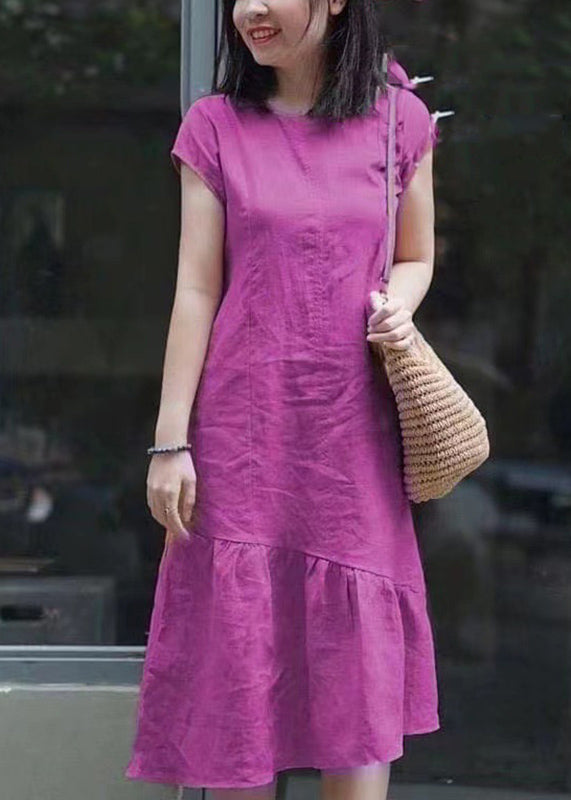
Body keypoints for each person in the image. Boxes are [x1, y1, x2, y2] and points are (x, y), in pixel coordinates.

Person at [125, 1, 441, 798]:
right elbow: (196, 289)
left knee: (356, 695)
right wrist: (170, 443)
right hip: (241, 435)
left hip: (352, 438)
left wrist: (398, 304)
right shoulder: (214, 126)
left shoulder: (399, 120)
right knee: (238, 695)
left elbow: (415, 255)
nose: (249, 10)